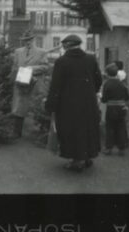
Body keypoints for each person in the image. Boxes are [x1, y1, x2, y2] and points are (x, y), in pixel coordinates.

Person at [44, 34, 103, 171]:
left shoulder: (61, 61)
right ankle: (87, 156)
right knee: (87, 129)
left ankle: (77, 161)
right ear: (79, 45)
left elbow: (55, 86)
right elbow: (98, 80)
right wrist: (89, 92)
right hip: (88, 103)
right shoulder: (90, 59)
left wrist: (51, 104)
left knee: (71, 131)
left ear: (66, 46)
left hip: (68, 105)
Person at [10, 31, 50, 139]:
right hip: (21, 83)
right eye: (25, 40)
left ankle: (38, 132)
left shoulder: (42, 52)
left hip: (35, 83)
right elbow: (14, 66)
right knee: (19, 106)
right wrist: (14, 77)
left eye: (29, 40)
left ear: (34, 40)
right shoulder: (18, 51)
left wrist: (31, 69)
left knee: (36, 106)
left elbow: (45, 67)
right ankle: (16, 132)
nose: (27, 42)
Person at [101, 63, 129, 156]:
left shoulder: (107, 84)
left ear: (107, 73)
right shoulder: (122, 84)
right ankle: (122, 149)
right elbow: (127, 97)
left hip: (111, 108)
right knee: (121, 127)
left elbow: (104, 99)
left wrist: (101, 98)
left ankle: (108, 148)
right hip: (121, 108)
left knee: (110, 128)